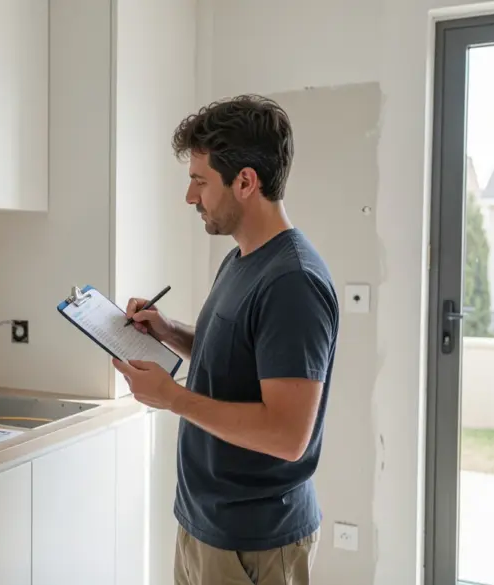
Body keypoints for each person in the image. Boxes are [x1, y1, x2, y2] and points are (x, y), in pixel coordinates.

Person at [112, 95, 340, 585]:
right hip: (206, 525)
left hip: (255, 541)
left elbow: (286, 435)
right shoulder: (242, 258)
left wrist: (172, 398)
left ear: (245, 182)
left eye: (199, 181)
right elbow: (237, 360)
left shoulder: (293, 282)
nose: (190, 197)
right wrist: (169, 331)